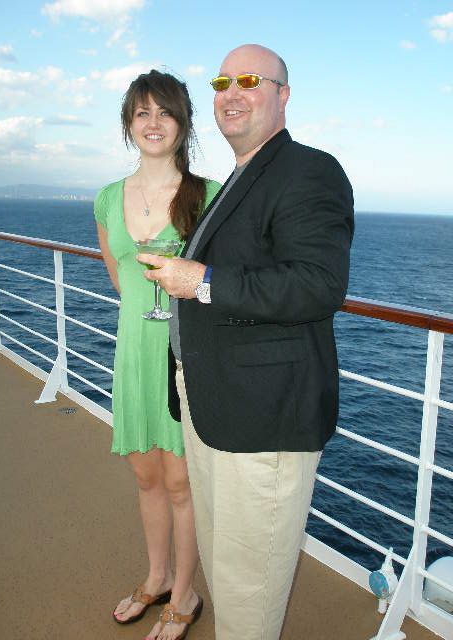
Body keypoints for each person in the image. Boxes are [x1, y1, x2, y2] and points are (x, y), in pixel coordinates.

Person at [137, 45, 354, 639]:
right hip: (216, 408)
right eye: (222, 82)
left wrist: (201, 280)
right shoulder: (240, 177)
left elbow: (318, 285)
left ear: (283, 95)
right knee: (226, 567)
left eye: (251, 80)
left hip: (263, 422)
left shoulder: (309, 170)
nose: (232, 93)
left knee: (247, 590)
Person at [94, 69, 221, 640]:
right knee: (146, 477)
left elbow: (217, 282)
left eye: (165, 112)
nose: (153, 122)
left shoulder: (209, 196)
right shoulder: (107, 199)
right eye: (142, 112)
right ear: (128, 124)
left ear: (183, 123)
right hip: (133, 355)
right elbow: (121, 282)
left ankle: (186, 594)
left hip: (183, 359)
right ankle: (157, 577)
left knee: (180, 483)